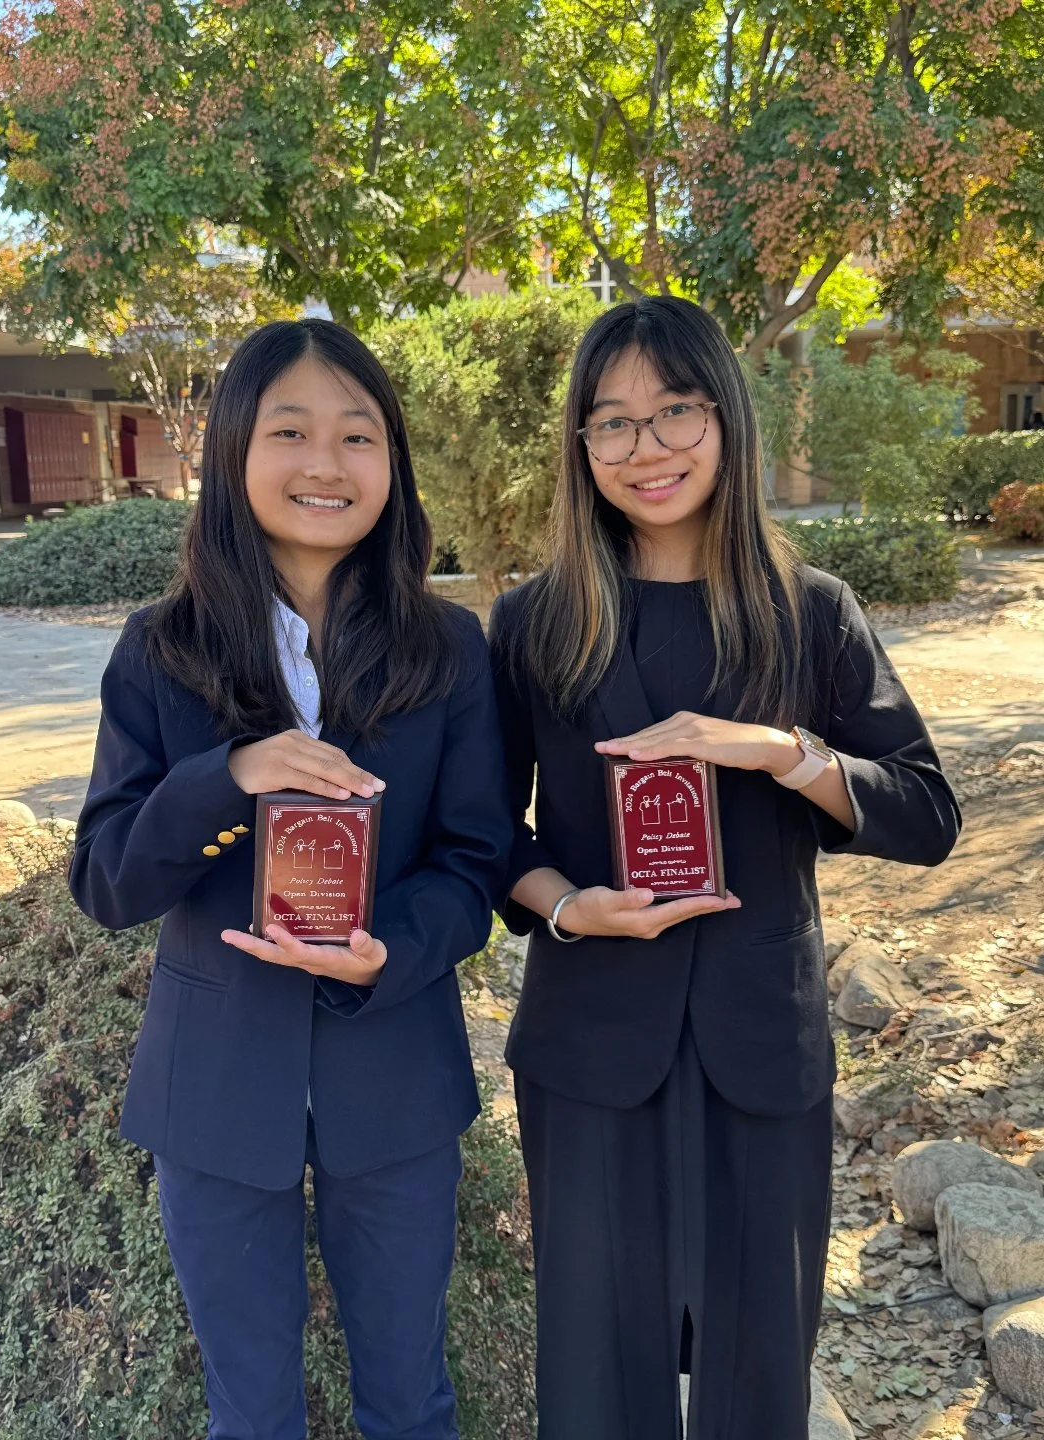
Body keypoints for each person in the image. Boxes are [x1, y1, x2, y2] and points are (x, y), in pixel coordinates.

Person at [488, 296, 961, 1440]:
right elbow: (486, 836)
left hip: (762, 1044)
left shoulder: (810, 615)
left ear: (727, 418)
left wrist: (783, 754)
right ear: (581, 446)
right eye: (612, 423)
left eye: (675, 412)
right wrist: (567, 910)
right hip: (592, 1045)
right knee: (599, 1381)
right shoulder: (534, 623)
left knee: (758, 1380)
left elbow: (928, 814)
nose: (646, 448)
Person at [69, 319, 510, 1440]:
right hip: (214, 1091)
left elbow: (475, 861)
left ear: (393, 465)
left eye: (359, 436)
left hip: (397, 1076)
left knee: (410, 1403)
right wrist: (230, 776)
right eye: (292, 431)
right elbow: (109, 880)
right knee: (251, 1412)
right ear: (232, 453)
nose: (326, 463)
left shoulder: (450, 652)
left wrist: (390, 951)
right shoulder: (160, 649)